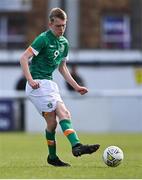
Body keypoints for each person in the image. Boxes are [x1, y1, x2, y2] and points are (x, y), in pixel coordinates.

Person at [20, 8, 100, 167]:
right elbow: (23, 58)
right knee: (60, 114)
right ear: (50, 24)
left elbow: (62, 68)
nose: (61, 29)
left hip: (49, 84)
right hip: (38, 85)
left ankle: (53, 157)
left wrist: (76, 86)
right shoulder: (42, 39)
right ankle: (76, 145)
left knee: (54, 122)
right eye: (58, 26)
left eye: (64, 26)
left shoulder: (64, 43)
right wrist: (29, 80)